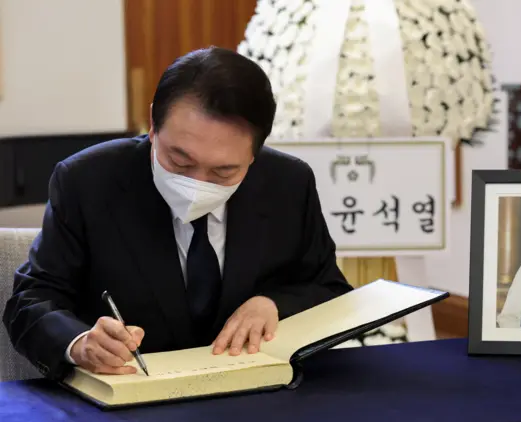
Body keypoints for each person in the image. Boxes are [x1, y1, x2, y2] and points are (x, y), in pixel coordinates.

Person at [2, 46, 353, 381]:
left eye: (223, 172)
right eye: (179, 160)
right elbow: (31, 300)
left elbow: (329, 289)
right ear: (153, 125)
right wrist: (79, 343)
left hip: (259, 395)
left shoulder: (288, 183)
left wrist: (273, 304)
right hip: (131, 400)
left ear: (255, 154)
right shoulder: (87, 180)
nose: (196, 184)